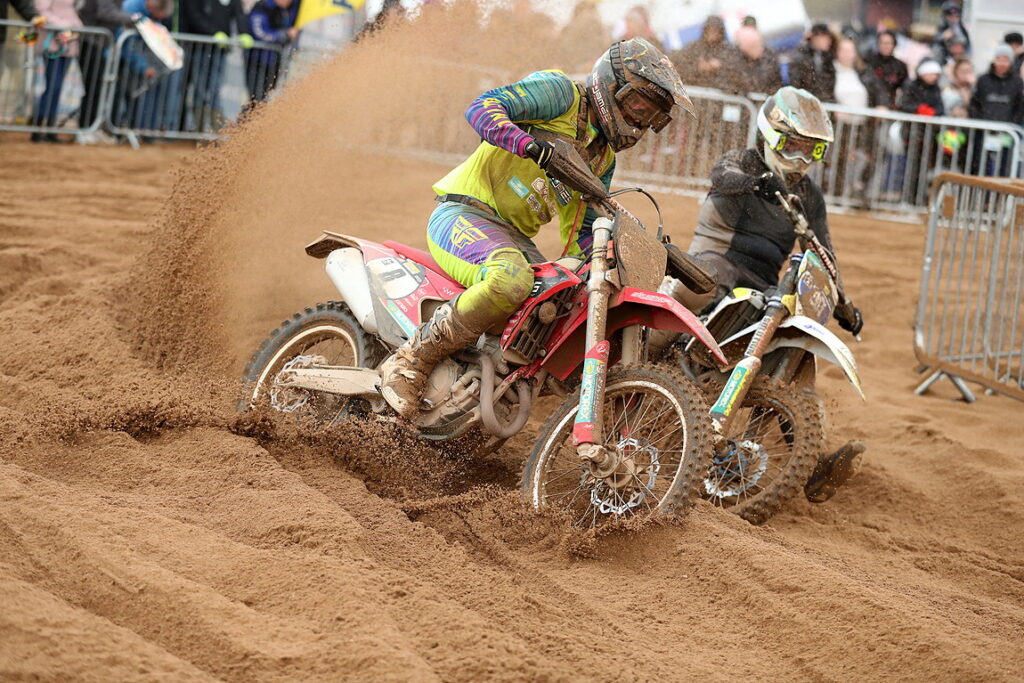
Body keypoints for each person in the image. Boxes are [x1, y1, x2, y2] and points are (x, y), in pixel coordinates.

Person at [379, 39, 694, 418]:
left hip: (514, 238)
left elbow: (585, 233)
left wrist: (615, 257)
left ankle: (490, 386)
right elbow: (482, 108)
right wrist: (527, 144)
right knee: (511, 279)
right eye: (640, 107)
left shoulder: (602, 159)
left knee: (565, 296)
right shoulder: (561, 94)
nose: (641, 122)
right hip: (464, 212)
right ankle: (411, 358)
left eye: (653, 117)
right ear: (612, 86)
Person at [686, 86, 864, 503]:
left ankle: (811, 462)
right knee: (693, 288)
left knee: (798, 355)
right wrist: (757, 184)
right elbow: (722, 178)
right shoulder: (742, 162)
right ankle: (625, 377)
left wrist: (843, 302)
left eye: (811, 151)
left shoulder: (809, 195)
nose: (800, 160)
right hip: (716, 262)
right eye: (792, 146)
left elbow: (822, 251)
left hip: (765, 285)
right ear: (769, 136)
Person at [178, 0, 251, 131]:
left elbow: (239, 14)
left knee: (215, 90)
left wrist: (244, 32)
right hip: (199, 48)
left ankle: (215, 129)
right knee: (200, 90)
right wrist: (212, 33)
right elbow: (194, 15)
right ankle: (198, 129)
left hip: (220, 50)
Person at [831, 36, 885, 205]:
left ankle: (860, 188)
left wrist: (882, 105)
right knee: (840, 159)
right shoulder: (830, 70)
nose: (846, 54)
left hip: (863, 124)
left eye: (850, 50)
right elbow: (823, 91)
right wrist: (833, 108)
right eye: (843, 50)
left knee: (875, 154)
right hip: (841, 125)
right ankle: (837, 193)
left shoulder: (864, 72)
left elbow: (879, 90)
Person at [75, 0, 137, 142]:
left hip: (99, 43)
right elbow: (106, 12)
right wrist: (133, 18)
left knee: (98, 89)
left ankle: (93, 128)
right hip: (90, 41)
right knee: (93, 88)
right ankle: (85, 129)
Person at [29, 0, 80, 142]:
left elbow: (71, 11)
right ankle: (37, 127)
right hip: (51, 43)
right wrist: (63, 26)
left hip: (68, 45)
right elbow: (42, 12)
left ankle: (50, 129)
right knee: (53, 87)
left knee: (57, 89)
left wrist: (77, 27)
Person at [969, 46, 1024, 177]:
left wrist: (1011, 123)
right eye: (999, 59)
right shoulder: (983, 79)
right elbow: (974, 103)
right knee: (980, 163)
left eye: (1005, 60)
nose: (1002, 63)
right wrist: (980, 120)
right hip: (984, 129)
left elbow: (1020, 106)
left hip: (1007, 131)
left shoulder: (1017, 82)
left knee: (1005, 163)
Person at [898, 59, 944, 199]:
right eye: (932, 74)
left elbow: (940, 108)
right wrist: (918, 109)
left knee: (923, 166)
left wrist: (932, 112)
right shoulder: (911, 86)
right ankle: (907, 195)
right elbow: (903, 104)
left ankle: (918, 195)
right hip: (912, 133)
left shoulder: (935, 89)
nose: (934, 77)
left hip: (929, 134)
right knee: (911, 165)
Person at [245, 0, 298, 104]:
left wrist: (289, 35)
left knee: (265, 98)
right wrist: (283, 35)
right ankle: (250, 114)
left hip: (274, 62)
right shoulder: (262, 6)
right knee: (255, 98)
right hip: (257, 60)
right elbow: (259, 33)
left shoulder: (285, 10)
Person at [669, 15, 738, 89]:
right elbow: (677, 66)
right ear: (705, 31)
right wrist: (698, 67)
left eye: (716, 31)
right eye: (710, 31)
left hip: (720, 92)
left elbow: (737, 72)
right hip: (695, 90)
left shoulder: (729, 50)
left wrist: (721, 66)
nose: (713, 35)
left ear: (721, 32)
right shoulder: (693, 47)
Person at [788, 23, 836, 102]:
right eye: (825, 38)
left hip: (823, 104)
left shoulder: (827, 57)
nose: (828, 41)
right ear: (815, 38)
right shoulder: (800, 57)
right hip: (806, 103)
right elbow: (796, 86)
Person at [732, 24, 780, 95]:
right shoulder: (735, 62)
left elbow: (773, 82)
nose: (759, 49)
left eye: (759, 45)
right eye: (753, 46)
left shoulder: (769, 58)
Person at [865, 30, 907, 108]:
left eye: (888, 43)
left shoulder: (900, 66)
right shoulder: (868, 61)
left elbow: (905, 88)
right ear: (878, 44)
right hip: (869, 103)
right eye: (882, 43)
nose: (885, 46)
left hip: (889, 106)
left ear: (894, 45)